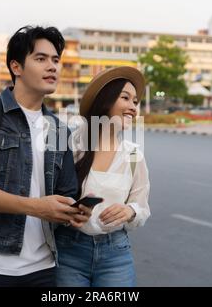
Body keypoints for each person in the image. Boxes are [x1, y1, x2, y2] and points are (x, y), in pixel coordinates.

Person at [0, 26, 92, 287]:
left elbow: (66, 191)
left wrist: (72, 212)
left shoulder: (59, 129)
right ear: (16, 67)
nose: (53, 67)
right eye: (41, 59)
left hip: (42, 269)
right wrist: (36, 207)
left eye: (56, 60)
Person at [55, 66, 151, 287]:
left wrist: (130, 210)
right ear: (105, 100)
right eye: (125, 98)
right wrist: (70, 211)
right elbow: (49, 195)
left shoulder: (134, 155)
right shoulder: (73, 146)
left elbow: (142, 207)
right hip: (69, 249)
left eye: (135, 101)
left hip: (115, 254)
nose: (132, 107)